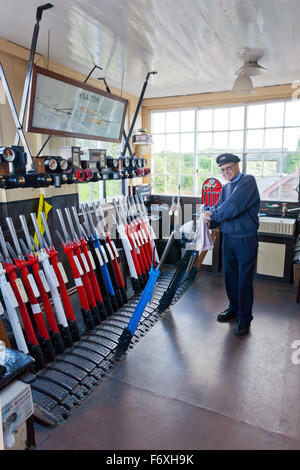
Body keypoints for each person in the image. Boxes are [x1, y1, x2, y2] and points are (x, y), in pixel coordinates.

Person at [203, 153, 260, 336]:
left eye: (229, 168)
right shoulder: (226, 188)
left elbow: (232, 207)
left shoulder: (247, 182)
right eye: (222, 170)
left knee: (244, 280)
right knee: (231, 278)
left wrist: (213, 215)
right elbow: (219, 209)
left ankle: (245, 318)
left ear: (237, 166)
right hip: (228, 239)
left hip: (245, 239)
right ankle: (234, 308)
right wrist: (208, 220)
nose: (226, 172)